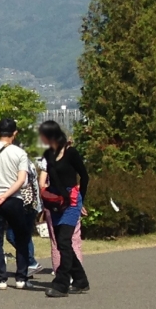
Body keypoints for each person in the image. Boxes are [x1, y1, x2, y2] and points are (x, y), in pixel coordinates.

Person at [0, 118, 37, 289]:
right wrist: (5, 195)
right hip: (14, 200)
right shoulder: (20, 153)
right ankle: (21, 278)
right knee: (22, 238)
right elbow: (21, 180)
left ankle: (1, 279)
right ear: (15, 133)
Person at [38, 121, 90, 298]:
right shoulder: (48, 155)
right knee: (62, 243)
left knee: (64, 240)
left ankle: (61, 284)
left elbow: (85, 176)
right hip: (57, 201)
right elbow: (50, 181)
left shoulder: (71, 153)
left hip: (72, 200)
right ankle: (81, 280)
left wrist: (80, 199)